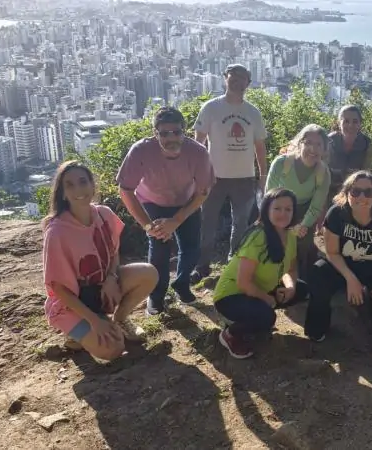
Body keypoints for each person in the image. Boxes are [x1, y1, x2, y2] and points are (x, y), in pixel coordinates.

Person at [44, 161, 159, 360]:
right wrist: (94, 321)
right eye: (70, 185)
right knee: (113, 350)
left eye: (83, 182)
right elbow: (59, 289)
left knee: (148, 273)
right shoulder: (57, 232)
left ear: (92, 185)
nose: (78, 189)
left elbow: (113, 252)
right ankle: (78, 333)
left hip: (101, 290)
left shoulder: (104, 214)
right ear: (62, 193)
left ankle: (119, 319)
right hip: (72, 304)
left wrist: (111, 278)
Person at [117, 107, 214, 315]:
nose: (171, 138)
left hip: (187, 201)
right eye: (164, 133)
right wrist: (147, 225)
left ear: (184, 131)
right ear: (155, 133)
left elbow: (203, 192)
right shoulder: (141, 151)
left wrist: (177, 219)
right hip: (153, 201)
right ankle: (157, 296)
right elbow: (125, 189)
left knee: (192, 249)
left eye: (176, 132)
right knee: (159, 250)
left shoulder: (198, 152)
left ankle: (181, 283)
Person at [304, 171, 372, 342]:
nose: (362, 197)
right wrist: (351, 279)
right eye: (356, 191)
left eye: (368, 192)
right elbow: (332, 252)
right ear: (347, 192)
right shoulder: (337, 214)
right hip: (344, 266)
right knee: (318, 272)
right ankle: (317, 329)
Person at [193, 63, 268, 282]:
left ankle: (234, 263)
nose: (237, 81)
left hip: (244, 177)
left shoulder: (253, 112)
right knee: (207, 221)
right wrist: (197, 174)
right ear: (225, 78)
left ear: (249, 83)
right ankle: (202, 265)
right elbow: (199, 143)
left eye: (242, 78)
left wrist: (262, 176)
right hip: (213, 176)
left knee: (241, 223)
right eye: (233, 77)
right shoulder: (211, 108)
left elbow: (259, 147)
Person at [213, 188, 309, 358]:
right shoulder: (258, 236)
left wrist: (290, 287)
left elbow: (291, 269)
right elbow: (243, 283)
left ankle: (255, 317)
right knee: (267, 317)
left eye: (288, 209)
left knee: (301, 289)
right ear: (266, 210)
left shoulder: (290, 236)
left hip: (260, 289)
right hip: (231, 296)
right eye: (277, 208)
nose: (283, 213)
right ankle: (231, 334)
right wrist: (267, 299)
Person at [265, 124, 331, 275]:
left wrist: (303, 226)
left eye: (318, 144)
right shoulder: (281, 163)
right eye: (308, 143)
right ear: (299, 143)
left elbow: (316, 206)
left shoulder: (323, 173)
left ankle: (298, 280)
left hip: (305, 211)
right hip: (278, 206)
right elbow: (269, 196)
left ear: (324, 149)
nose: (313, 149)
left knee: (301, 245)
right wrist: (278, 221)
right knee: (275, 240)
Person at [327, 105, 372, 198]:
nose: (350, 125)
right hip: (329, 192)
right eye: (346, 121)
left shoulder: (367, 144)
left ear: (360, 123)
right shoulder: (329, 141)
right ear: (339, 123)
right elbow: (323, 172)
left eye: (355, 121)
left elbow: (365, 173)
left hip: (354, 193)